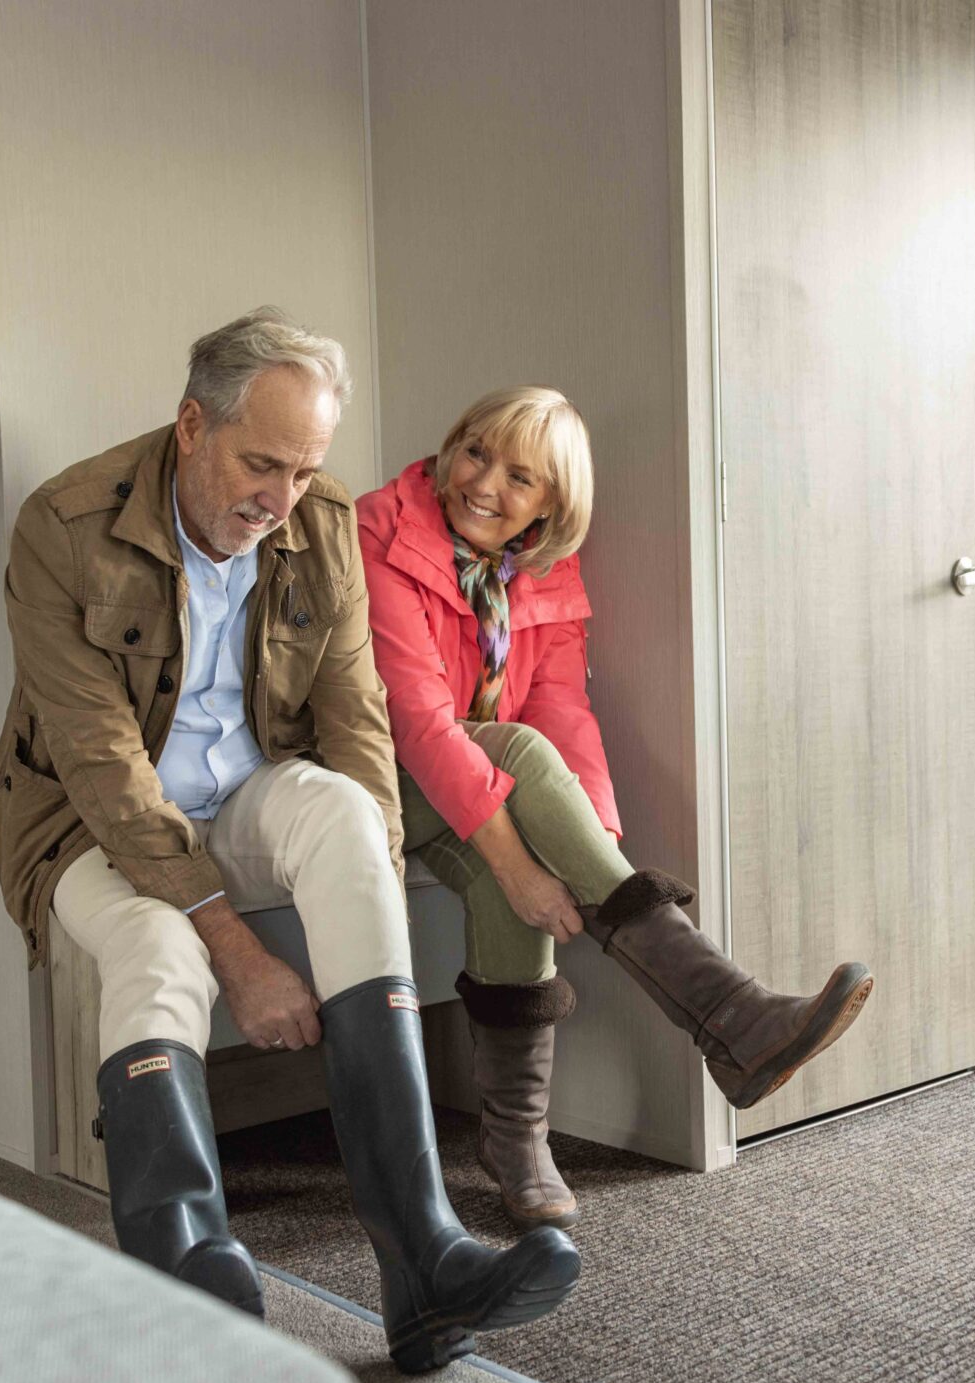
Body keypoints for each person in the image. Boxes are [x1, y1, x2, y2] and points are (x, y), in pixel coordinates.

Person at [0, 315, 579, 1373]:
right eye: (261, 463)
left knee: (347, 810)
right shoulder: (62, 525)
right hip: (88, 824)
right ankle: (189, 1275)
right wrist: (243, 954)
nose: (281, 498)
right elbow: (98, 762)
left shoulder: (321, 524)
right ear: (190, 425)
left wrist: (370, 881)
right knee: (157, 952)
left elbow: (355, 722)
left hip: (247, 792)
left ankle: (426, 1263)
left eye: (303, 470)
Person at [356, 386, 874, 1232]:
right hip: (379, 777)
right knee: (515, 765)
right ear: (450, 445)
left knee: (515, 818)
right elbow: (417, 722)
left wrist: (583, 844)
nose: (485, 483)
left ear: (553, 503)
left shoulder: (545, 568)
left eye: (520, 476)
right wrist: (526, 866)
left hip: (471, 789)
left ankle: (514, 1143)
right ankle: (729, 1014)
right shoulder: (382, 530)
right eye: (476, 452)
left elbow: (562, 709)